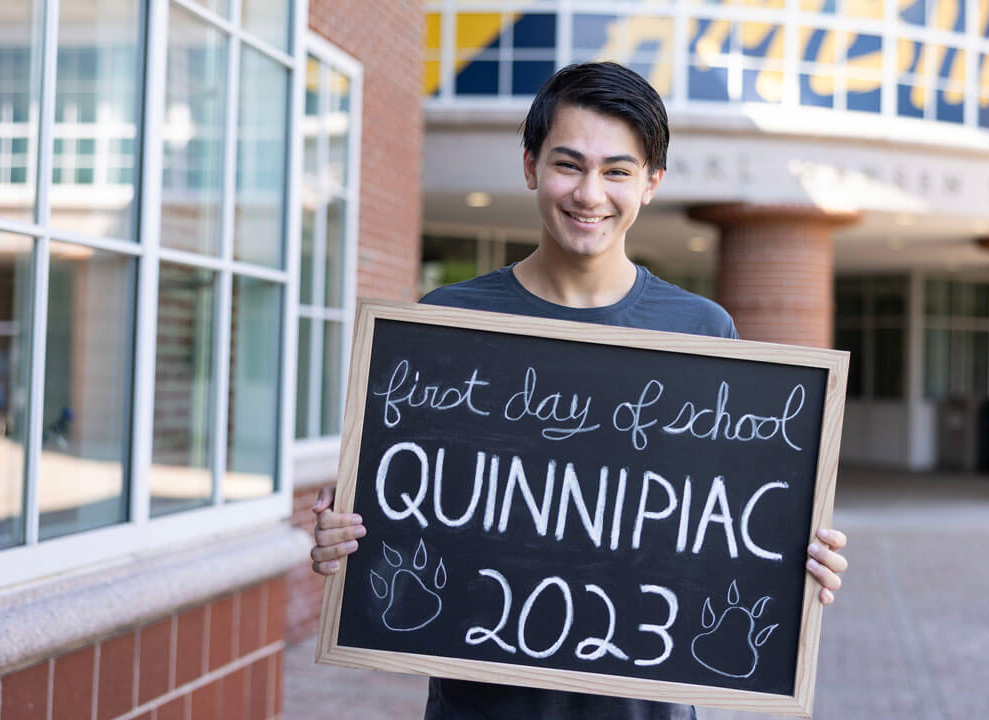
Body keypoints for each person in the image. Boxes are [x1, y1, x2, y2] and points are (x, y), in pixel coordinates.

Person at [309, 61, 848, 720]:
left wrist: (794, 556)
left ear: (652, 183)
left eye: (617, 171)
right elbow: (411, 521)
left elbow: (722, 525)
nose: (590, 194)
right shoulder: (447, 323)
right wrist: (350, 535)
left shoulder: (703, 332)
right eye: (569, 165)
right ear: (531, 166)